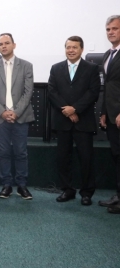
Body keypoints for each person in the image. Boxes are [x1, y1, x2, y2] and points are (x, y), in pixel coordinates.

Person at [48, 36, 100, 206]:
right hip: (63, 121)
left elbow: (93, 92)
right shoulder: (56, 68)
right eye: (68, 47)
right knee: (63, 158)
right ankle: (67, 190)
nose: (71, 50)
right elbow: (52, 92)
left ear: (81, 49)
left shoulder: (91, 68)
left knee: (86, 158)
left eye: (74, 47)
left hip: (83, 121)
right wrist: (68, 111)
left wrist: (75, 109)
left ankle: (86, 193)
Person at [0, 33, 35, 200]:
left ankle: (22, 185)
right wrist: (2, 112)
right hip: (0, 117)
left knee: (21, 152)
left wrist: (15, 112)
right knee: (3, 152)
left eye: (7, 43)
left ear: (14, 45)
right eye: (0, 44)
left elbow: (28, 92)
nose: (3, 46)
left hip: (20, 117)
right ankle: (6, 185)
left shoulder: (26, 66)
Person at [99, 15, 120, 214]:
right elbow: (108, 87)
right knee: (117, 154)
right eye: (108, 29)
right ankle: (119, 196)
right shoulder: (108, 55)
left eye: (115, 28)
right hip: (112, 115)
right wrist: (104, 112)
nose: (111, 32)